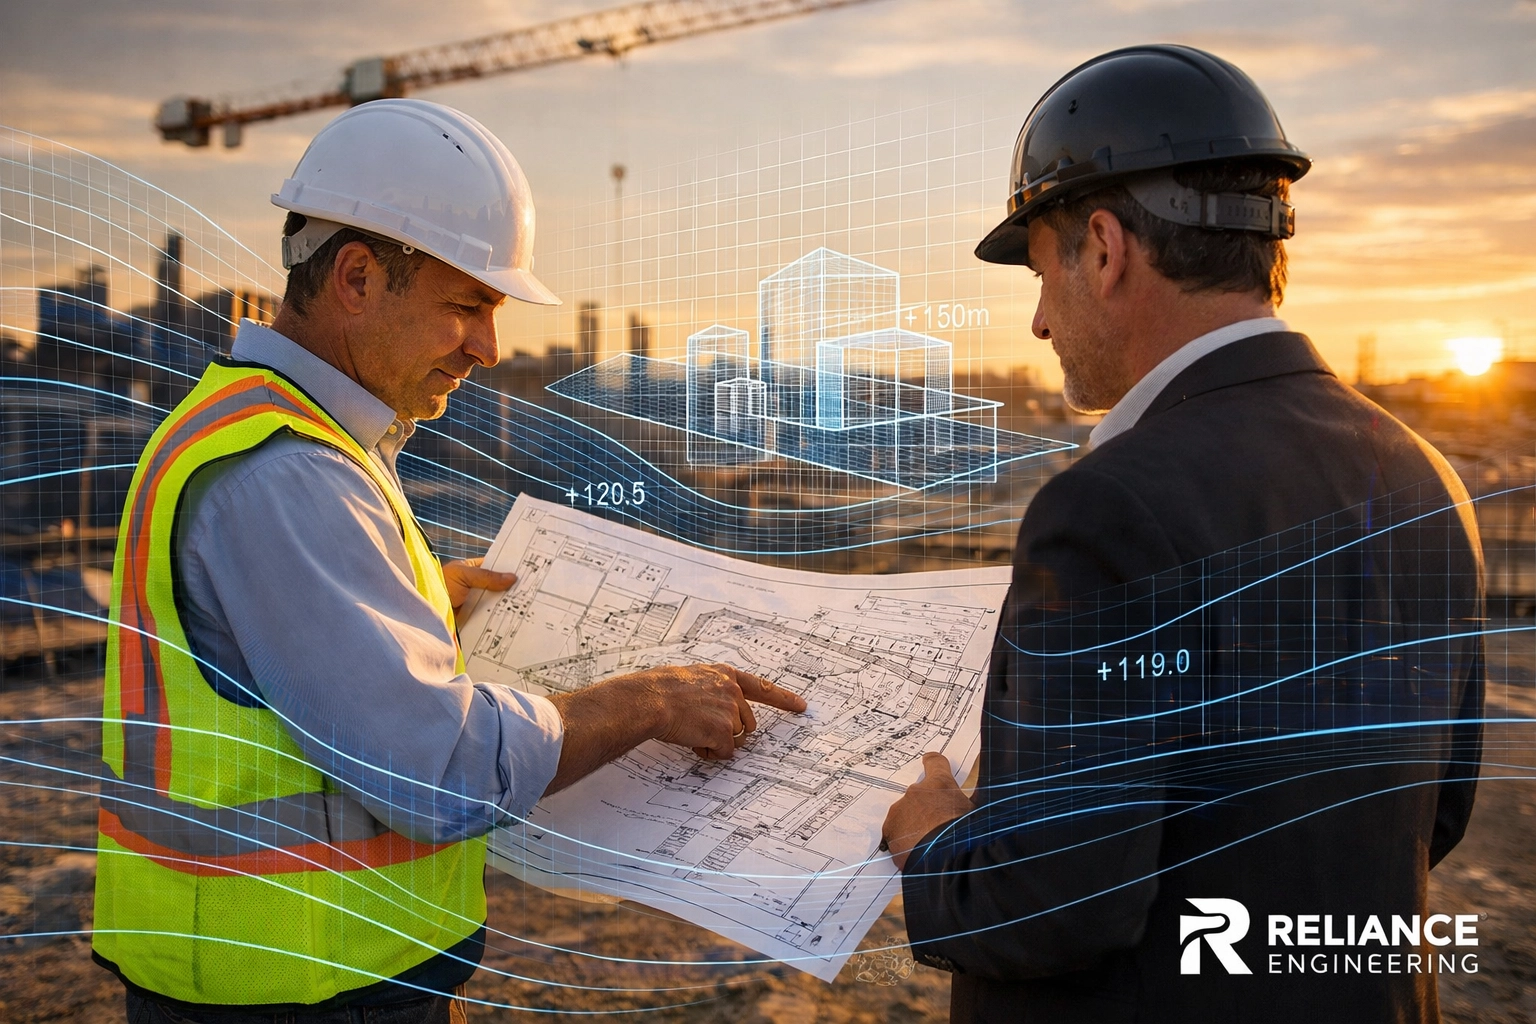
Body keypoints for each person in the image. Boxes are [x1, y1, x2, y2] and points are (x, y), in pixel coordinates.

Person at [93, 98, 806, 1023]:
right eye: (466, 306)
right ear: (356, 277)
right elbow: (434, 770)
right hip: (302, 988)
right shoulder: (289, 474)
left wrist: (419, 593)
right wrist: (649, 701)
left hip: (302, 976)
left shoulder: (263, 433)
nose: (488, 347)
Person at [882, 45, 1484, 1023]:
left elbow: (1051, 906)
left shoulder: (1107, 506)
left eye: (1041, 273)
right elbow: (1428, 817)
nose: (1038, 323)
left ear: (1108, 250)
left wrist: (935, 837)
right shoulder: (1423, 475)